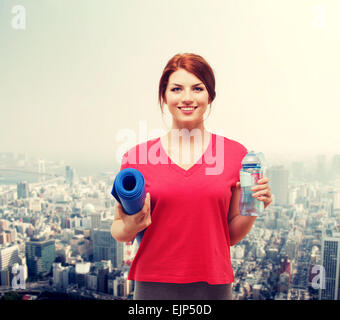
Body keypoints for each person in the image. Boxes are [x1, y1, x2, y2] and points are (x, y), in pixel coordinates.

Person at [111, 53, 272, 300]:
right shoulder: (137, 158)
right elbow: (118, 229)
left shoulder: (236, 155)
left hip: (214, 286)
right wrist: (132, 225)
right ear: (164, 96)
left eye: (197, 88)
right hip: (153, 286)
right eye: (176, 89)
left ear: (210, 95)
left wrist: (253, 208)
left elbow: (229, 236)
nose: (187, 98)